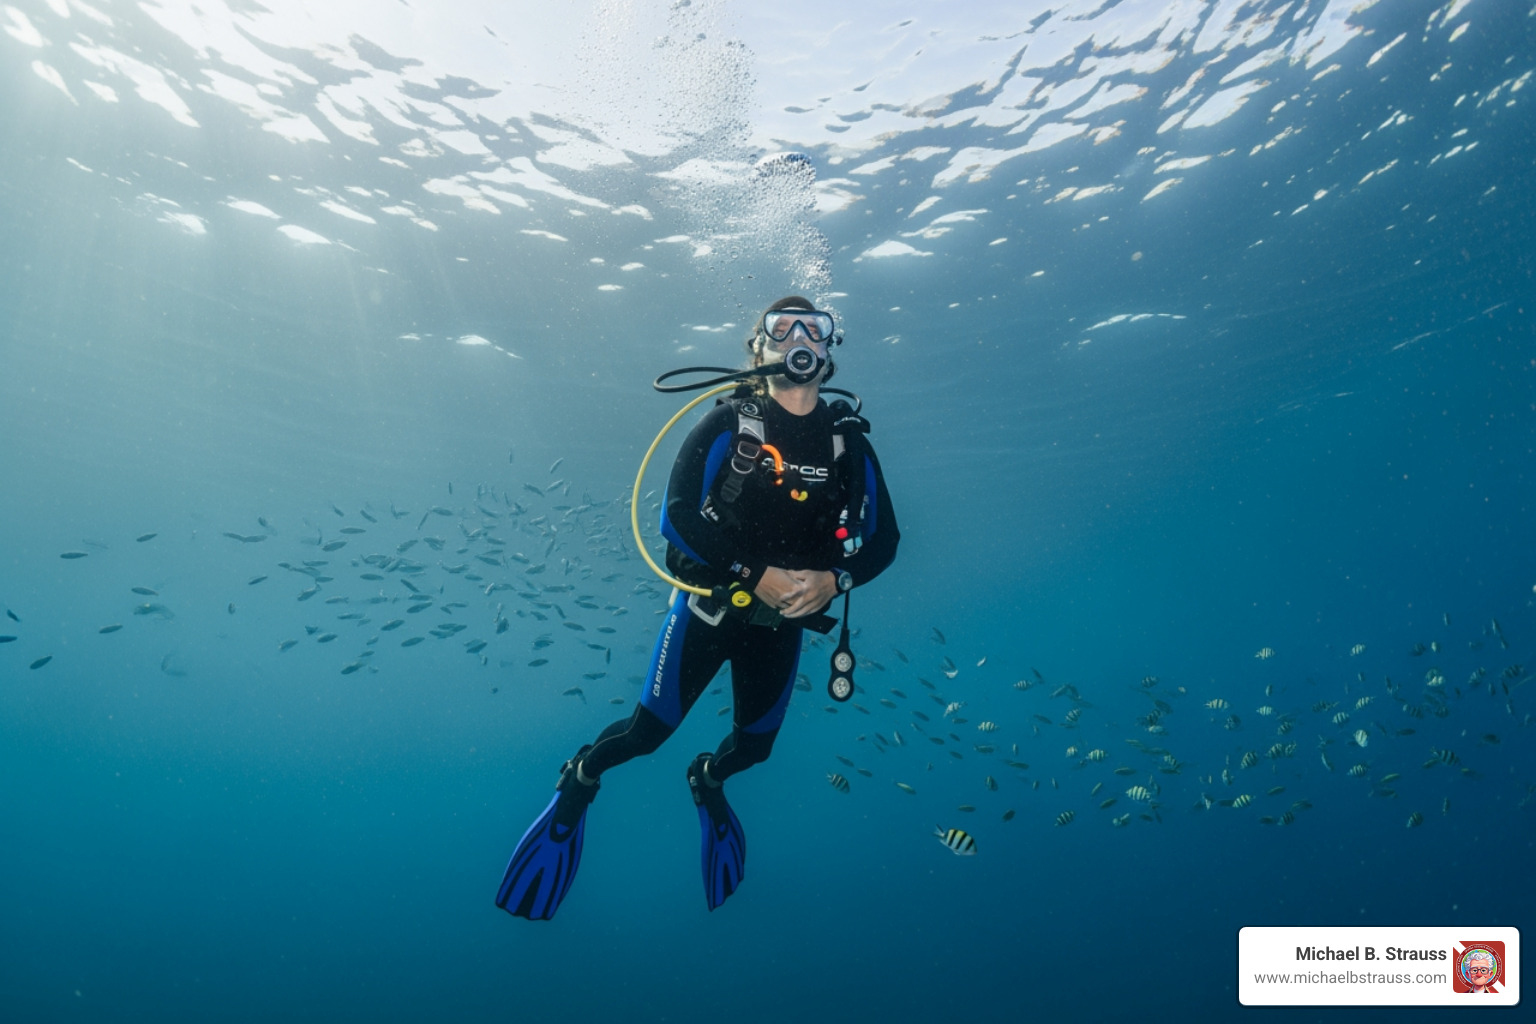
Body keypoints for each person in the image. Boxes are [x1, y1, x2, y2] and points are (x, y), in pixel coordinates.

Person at [496, 296, 901, 919]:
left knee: (756, 749)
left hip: (781, 627)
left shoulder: (848, 440)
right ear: (759, 350)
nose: (799, 336)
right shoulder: (727, 423)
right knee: (644, 735)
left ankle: (707, 779)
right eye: (781, 328)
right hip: (711, 610)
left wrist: (835, 581)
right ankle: (580, 780)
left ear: (828, 350)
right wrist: (755, 574)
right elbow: (675, 519)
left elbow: (886, 541)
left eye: (813, 328)